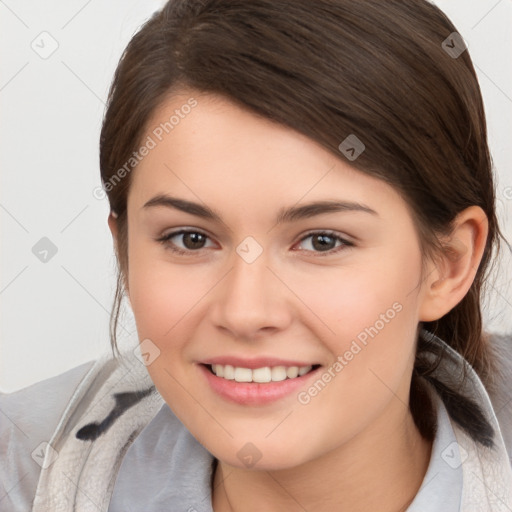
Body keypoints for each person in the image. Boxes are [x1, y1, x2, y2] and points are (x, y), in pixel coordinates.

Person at [1, 0, 511, 510]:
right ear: (125, 251)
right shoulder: (19, 470)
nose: (246, 313)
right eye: (190, 239)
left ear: (448, 263)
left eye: (322, 241)